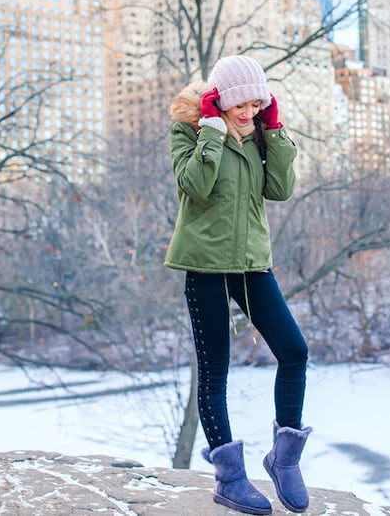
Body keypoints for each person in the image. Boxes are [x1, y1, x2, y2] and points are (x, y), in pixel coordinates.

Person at [164, 55, 312, 515]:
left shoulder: (258, 134)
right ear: (222, 100)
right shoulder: (189, 130)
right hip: (205, 265)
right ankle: (229, 479)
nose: (248, 112)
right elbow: (195, 184)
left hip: (252, 265)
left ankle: (284, 459)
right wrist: (212, 129)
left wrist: (275, 131)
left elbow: (281, 188)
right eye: (241, 104)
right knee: (215, 373)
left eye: (257, 103)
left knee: (294, 351)